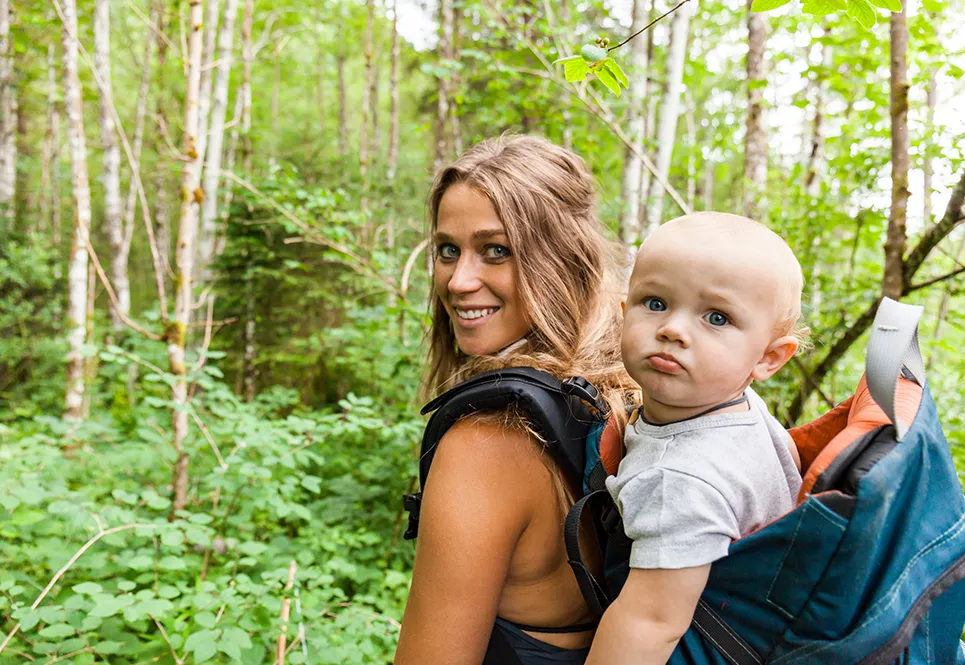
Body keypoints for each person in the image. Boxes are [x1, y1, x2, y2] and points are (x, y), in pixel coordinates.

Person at [394, 135, 639, 665]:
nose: (458, 281)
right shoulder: (618, 396)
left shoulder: (489, 440)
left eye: (496, 250)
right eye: (447, 250)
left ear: (561, 259)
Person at [585, 212, 805, 665]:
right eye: (656, 302)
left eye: (717, 317)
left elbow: (649, 624)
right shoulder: (739, 407)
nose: (673, 329)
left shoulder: (679, 477)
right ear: (623, 317)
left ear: (769, 357)